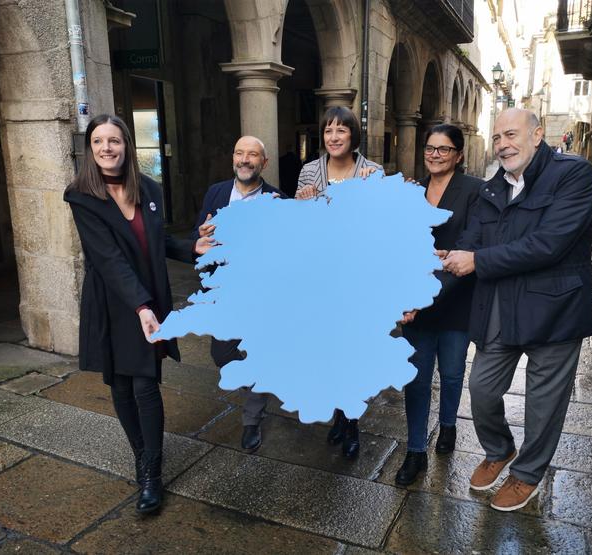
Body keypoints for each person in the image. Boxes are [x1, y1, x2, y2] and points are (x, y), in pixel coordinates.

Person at [441, 108, 592, 512]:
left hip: (555, 308)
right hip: (501, 305)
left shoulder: (573, 175)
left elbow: (550, 244)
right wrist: (450, 260)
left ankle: (527, 474)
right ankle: (499, 449)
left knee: (544, 402)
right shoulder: (493, 186)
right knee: (481, 389)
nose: (503, 144)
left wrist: (477, 260)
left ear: (538, 134)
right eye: (496, 138)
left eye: (511, 134)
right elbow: (472, 239)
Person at [64, 114, 212, 514]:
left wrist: (190, 249)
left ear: (127, 145)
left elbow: (156, 239)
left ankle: (151, 472)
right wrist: (140, 306)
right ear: (90, 149)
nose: (106, 148)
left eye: (114, 140)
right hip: (115, 304)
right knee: (121, 385)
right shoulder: (81, 196)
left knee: (146, 384)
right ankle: (141, 456)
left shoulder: (148, 188)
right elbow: (109, 259)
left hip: (149, 300)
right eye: (98, 142)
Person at [394, 124, 483, 486]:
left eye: (444, 149)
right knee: (415, 379)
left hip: (454, 299)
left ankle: (448, 426)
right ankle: (415, 450)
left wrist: (422, 295)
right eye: (430, 148)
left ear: (458, 155)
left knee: (450, 372)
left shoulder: (474, 191)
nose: (434, 154)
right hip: (415, 302)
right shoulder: (411, 192)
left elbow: (467, 244)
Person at [295, 105, 382, 458]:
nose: (333, 137)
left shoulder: (372, 173)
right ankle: (338, 416)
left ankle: (353, 424)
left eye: (341, 131)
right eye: (328, 130)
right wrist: (305, 205)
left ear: (352, 135)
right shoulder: (308, 172)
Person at [192, 136, 284, 451]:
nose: (245, 160)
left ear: (264, 162)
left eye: (253, 155)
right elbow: (198, 235)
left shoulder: (277, 201)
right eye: (240, 153)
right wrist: (200, 237)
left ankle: (251, 421)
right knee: (221, 354)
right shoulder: (216, 193)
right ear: (233, 158)